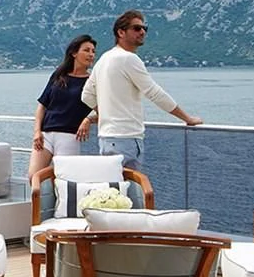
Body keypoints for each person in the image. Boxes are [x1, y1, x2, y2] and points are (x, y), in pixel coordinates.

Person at [80, 10, 202, 171]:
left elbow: (86, 96)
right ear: (121, 32)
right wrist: (187, 118)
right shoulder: (128, 59)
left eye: (145, 28)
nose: (143, 32)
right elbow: (154, 93)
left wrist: (106, 113)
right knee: (129, 192)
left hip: (106, 138)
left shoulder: (104, 59)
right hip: (126, 139)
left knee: (114, 190)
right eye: (137, 28)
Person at [29, 34, 97, 181]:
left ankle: (57, 205)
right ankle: (40, 205)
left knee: (63, 180)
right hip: (45, 135)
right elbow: (42, 105)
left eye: (93, 51)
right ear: (74, 53)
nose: (91, 54)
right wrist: (37, 132)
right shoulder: (58, 75)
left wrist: (88, 120)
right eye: (86, 50)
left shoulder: (92, 82)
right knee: (34, 177)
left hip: (70, 136)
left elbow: (104, 112)